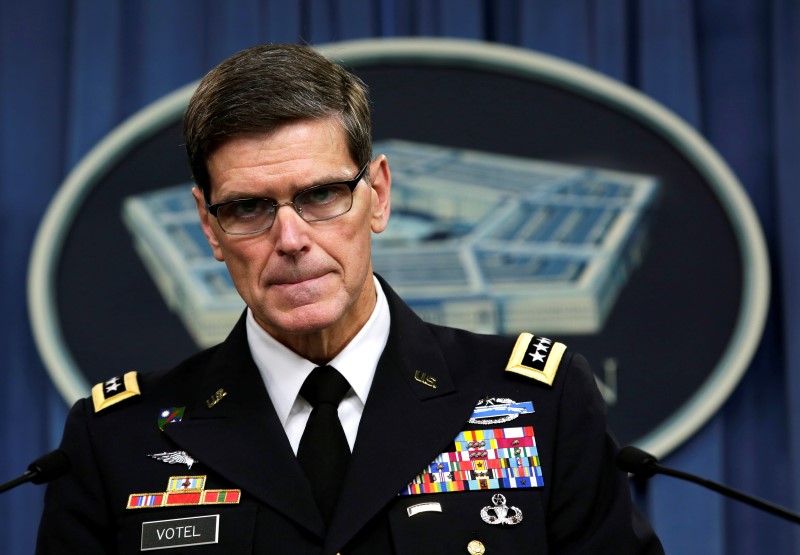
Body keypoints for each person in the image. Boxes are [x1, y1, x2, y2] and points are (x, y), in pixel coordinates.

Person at [37, 43, 663, 554]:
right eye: (247, 207)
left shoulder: (540, 405)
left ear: (380, 196)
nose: (291, 240)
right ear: (209, 227)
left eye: (321, 195)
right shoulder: (114, 439)